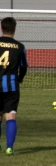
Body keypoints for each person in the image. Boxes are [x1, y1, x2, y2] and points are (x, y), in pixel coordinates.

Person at [0, 17, 28, 155]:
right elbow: (23, 66)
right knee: (10, 116)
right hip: (11, 86)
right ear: (14, 30)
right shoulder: (20, 47)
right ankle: (9, 147)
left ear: (1, 28)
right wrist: (20, 78)